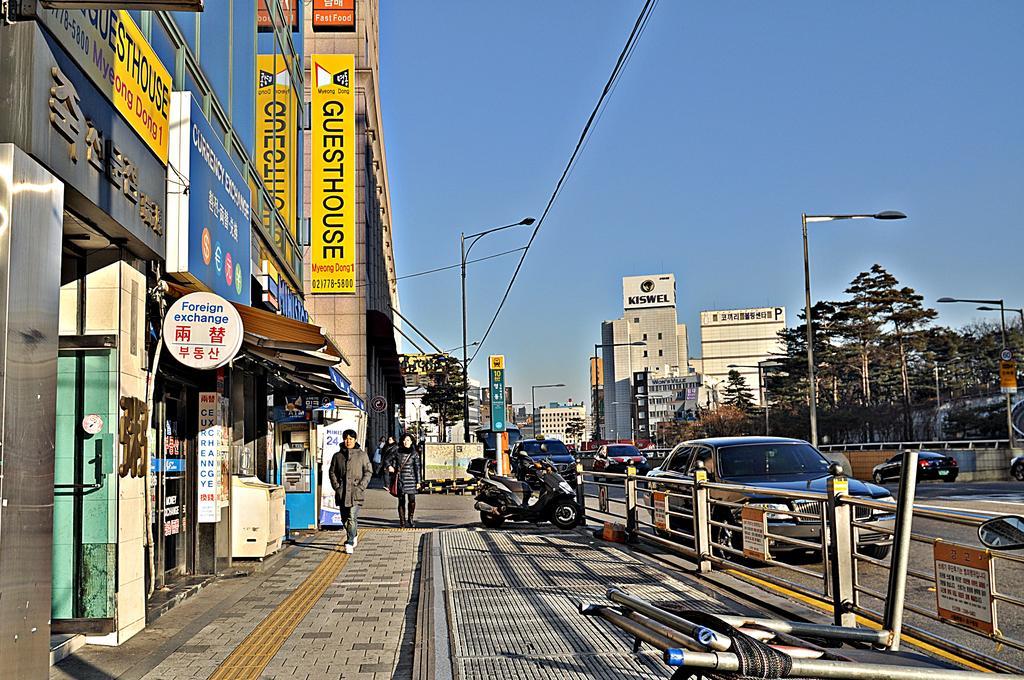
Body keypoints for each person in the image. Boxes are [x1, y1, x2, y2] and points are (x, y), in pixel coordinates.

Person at [329, 429, 372, 553]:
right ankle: (354, 533)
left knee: (352, 517)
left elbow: (368, 472)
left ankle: (350, 541)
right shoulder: (337, 456)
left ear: (355, 440)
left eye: (351, 439)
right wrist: (337, 486)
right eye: (346, 438)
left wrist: (361, 487)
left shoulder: (362, 455)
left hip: (356, 492)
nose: (348, 441)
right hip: (342, 492)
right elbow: (332, 472)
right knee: (344, 518)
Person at [386, 433, 422, 528]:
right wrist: (389, 466)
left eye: (408, 440)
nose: (406, 442)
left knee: (412, 500)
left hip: (411, 479)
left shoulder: (414, 453)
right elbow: (386, 460)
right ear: (402, 441)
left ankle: (410, 518)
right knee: (401, 501)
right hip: (400, 479)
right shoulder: (397, 451)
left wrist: (419, 482)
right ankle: (402, 521)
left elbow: (417, 468)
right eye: (405, 440)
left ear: (411, 442)